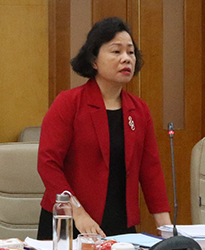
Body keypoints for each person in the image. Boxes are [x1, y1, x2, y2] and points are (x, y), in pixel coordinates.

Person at [37, 16, 171, 238]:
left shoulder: (139, 110)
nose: (126, 58)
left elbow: (151, 170)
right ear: (94, 60)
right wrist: (77, 213)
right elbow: (48, 164)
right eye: (116, 51)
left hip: (120, 224)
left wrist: (166, 228)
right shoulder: (69, 103)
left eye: (131, 52)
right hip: (69, 221)